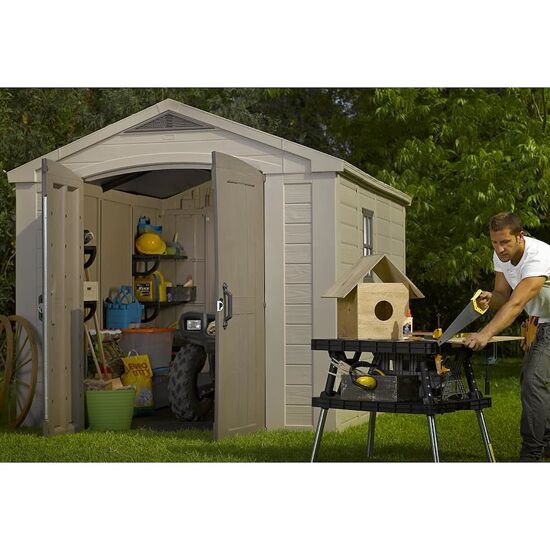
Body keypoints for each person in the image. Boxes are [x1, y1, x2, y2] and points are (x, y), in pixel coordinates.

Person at [463, 212, 550, 462]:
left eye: (505, 242)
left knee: (533, 381)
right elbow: (503, 295)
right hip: (542, 322)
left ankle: (531, 454)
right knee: (532, 381)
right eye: (494, 242)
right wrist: (491, 298)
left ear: (520, 236)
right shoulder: (501, 256)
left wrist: (485, 333)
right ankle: (546, 442)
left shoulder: (537, 256)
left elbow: (516, 304)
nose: (499, 248)